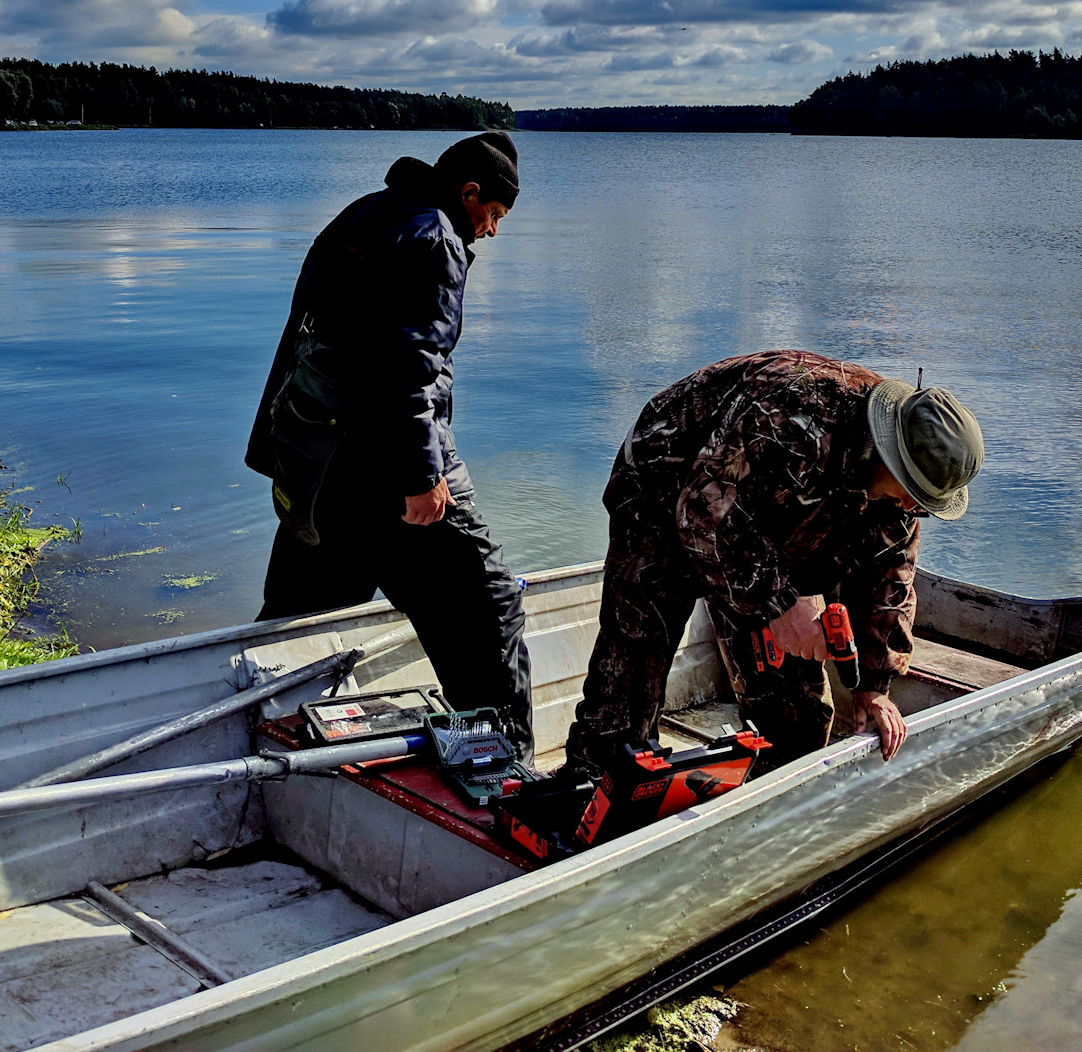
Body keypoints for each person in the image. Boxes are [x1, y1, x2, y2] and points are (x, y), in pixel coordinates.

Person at [245, 130, 533, 757]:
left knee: (292, 620)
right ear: (470, 192)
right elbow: (408, 368)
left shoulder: (366, 212)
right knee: (490, 612)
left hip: (319, 464)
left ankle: (244, 732)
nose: (490, 231)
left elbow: (306, 334)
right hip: (390, 467)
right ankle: (506, 772)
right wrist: (422, 475)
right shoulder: (436, 237)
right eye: (494, 214)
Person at [563, 350, 983, 778]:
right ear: (889, 451)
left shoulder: (906, 499)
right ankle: (591, 784)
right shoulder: (796, 411)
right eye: (913, 490)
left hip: (770, 517)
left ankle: (765, 799)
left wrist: (873, 687)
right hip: (664, 487)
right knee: (635, 661)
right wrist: (778, 605)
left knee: (798, 717)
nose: (916, 506)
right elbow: (703, 510)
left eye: (928, 501)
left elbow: (889, 578)